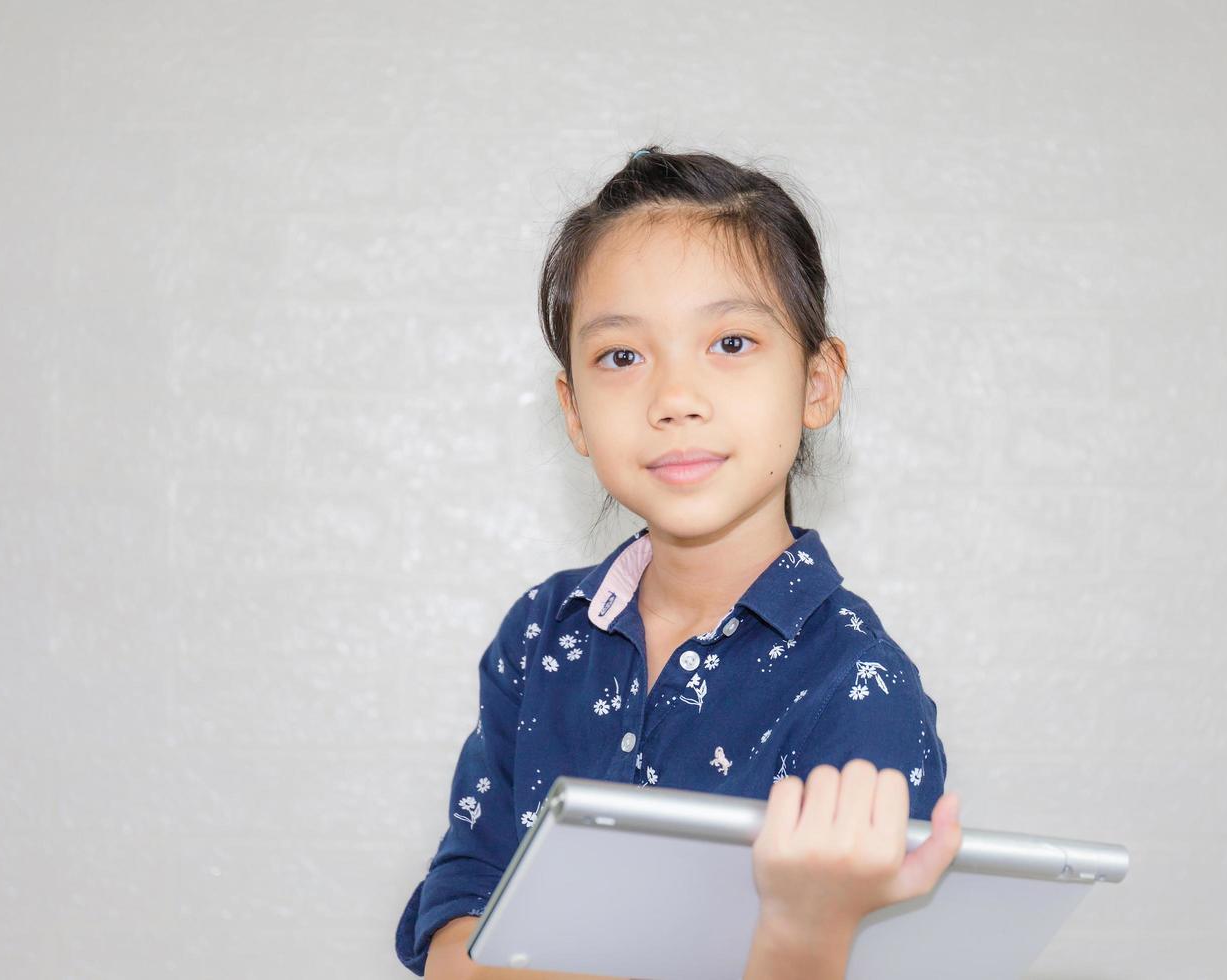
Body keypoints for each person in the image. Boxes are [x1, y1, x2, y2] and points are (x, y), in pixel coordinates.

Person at [395, 145, 963, 979]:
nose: (674, 399)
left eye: (730, 342)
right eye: (621, 357)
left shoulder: (859, 687)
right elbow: (461, 911)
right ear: (574, 412)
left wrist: (801, 939)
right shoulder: (540, 637)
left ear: (817, 381)